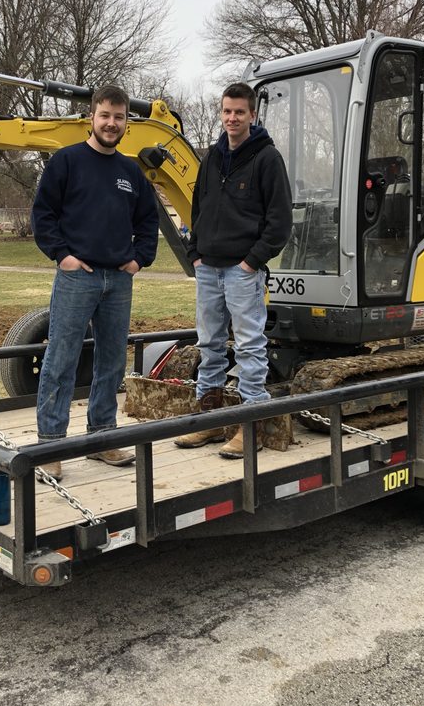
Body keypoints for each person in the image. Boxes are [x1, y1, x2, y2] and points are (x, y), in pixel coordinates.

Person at [32, 84, 159, 480]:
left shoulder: (131, 172)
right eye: (105, 115)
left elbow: (148, 221)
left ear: (126, 123)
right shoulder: (67, 162)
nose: (111, 123)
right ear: (92, 117)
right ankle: (50, 445)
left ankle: (103, 436)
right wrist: (62, 255)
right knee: (61, 359)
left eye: (119, 117)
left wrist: (140, 260)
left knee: (111, 360)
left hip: (119, 281)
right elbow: (43, 214)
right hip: (77, 276)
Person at [176, 81, 292, 457]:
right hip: (208, 268)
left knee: (249, 345)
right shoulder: (211, 158)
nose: (231, 118)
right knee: (209, 344)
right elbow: (198, 208)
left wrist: (250, 262)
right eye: (226, 111)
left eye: (239, 112)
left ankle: (250, 426)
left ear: (252, 115)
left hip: (242, 271)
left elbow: (280, 222)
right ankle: (209, 423)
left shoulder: (267, 159)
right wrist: (195, 252)